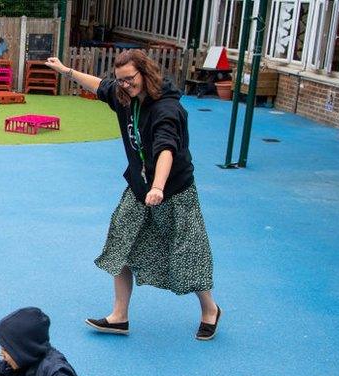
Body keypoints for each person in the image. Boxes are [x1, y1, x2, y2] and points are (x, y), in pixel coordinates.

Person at [44, 50, 222, 340]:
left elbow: (166, 149)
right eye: (121, 80)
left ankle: (210, 309)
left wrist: (158, 187)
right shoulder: (124, 94)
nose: (124, 86)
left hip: (173, 190)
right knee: (121, 243)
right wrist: (66, 71)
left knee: (188, 254)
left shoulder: (166, 109)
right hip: (140, 188)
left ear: (146, 73)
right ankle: (119, 317)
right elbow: (100, 85)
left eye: (130, 79)